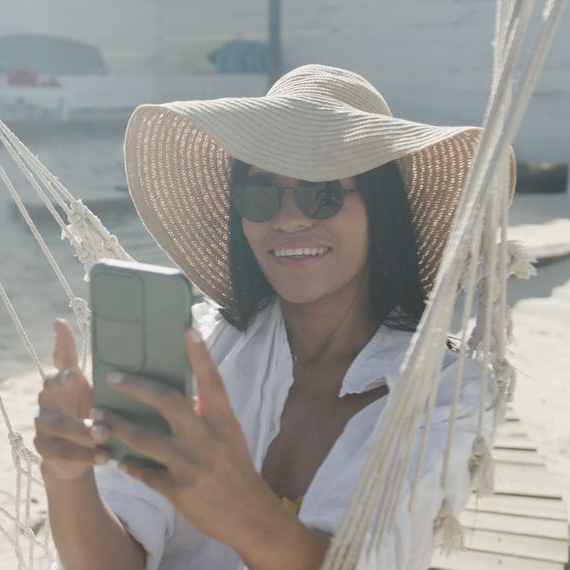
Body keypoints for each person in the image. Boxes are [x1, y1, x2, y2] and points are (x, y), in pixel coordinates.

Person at [33, 65, 505, 570]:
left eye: (321, 191)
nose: (288, 219)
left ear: (383, 209)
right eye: (261, 195)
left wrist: (241, 509)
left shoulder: (446, 395)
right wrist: (66, 476)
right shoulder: (200, 351)